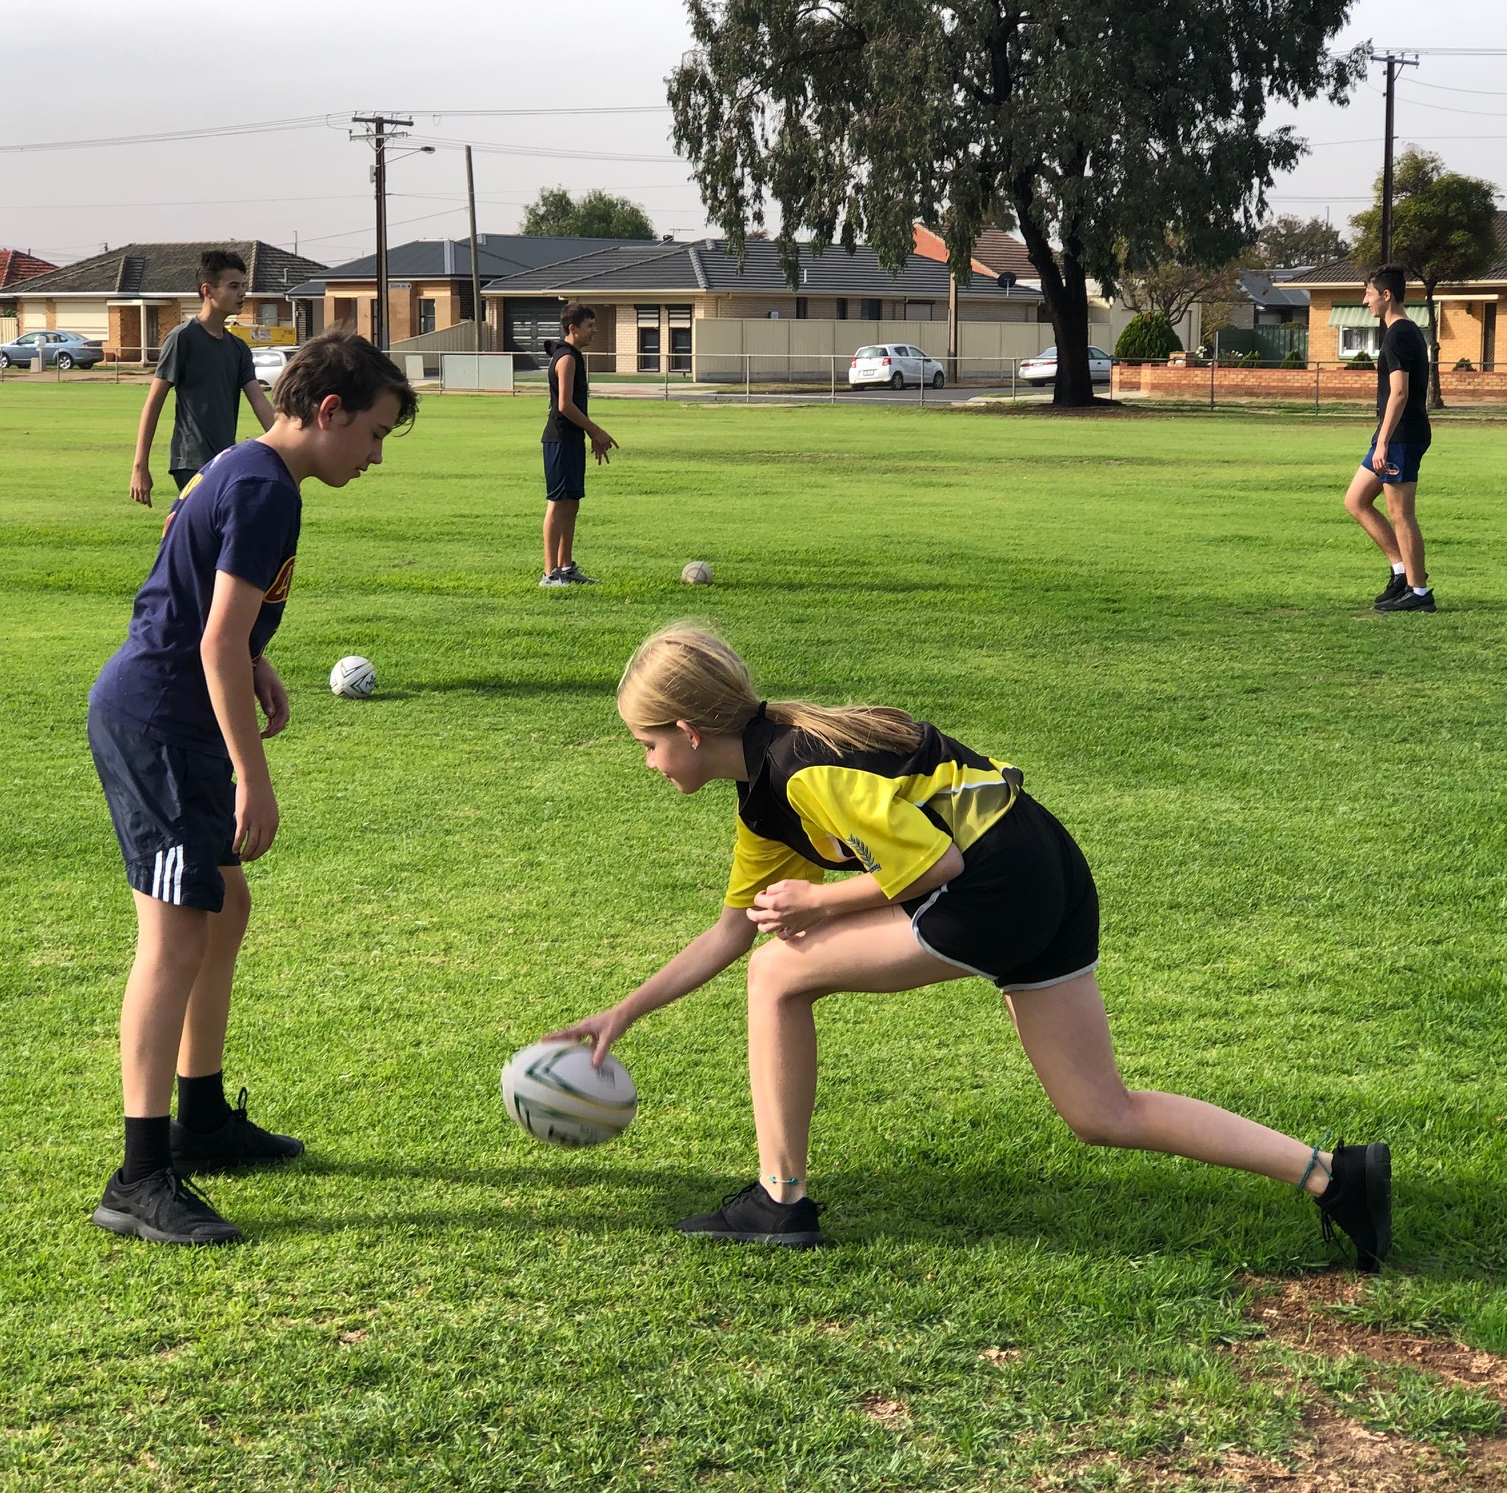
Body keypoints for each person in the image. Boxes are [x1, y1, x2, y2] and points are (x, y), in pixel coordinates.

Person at [547, 625, 1392, 1267]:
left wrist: (823, 900)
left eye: (647, 745)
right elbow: (733, 926)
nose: (648, 763)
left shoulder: (803, 769)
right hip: (1044, 867)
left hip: (994, 885)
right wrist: (625, 1011)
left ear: (690, 730)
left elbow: (935, 863)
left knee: (779, 972)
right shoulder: (766, 795)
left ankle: (781, 1202)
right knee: (1100, 1112)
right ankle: (1336, 1175)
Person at [87, 333, 417, 1245]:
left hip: (169, 715)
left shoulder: (241, 465)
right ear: (329, 412)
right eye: (378, 433)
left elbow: (188, 576)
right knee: (174, 937)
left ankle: (200, 1119)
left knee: (224, 906)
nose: (377, 456)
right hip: (158, 726)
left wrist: (259, 662)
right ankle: (141, 1175)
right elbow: (213, 641)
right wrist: (252, 777)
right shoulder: (267, 488)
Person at [129, 250, 277, 511]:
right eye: (233, 287)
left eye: (243, 286)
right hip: (191, 462)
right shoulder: (183, 339)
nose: (242, 293)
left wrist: (287, 448)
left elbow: (260, 403)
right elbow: (153, 404)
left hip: (225, 461)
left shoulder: (238, 348)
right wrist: (140, 466)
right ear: (208, 290)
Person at [1342, 264, 1435, 613]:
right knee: (1356, 501)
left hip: (1400, 437)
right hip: (1391, 435)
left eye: (1368, 293)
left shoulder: (1399, 335)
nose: (1364, 301)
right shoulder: (1402, 332)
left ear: (1386, 295)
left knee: (1401, 514)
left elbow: (1399, 393)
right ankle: (1401, 572)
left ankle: (1420, 592)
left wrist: (1383, 442)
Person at [539, 303, 616, 587]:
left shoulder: (574, 357)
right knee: (558, 503)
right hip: (558, 439)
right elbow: (564, 405)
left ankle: (566, 567)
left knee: (572, 503)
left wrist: (589, 434)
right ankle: (549, 574)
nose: (595, 331)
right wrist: (596, 430)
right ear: (573, 328)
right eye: (590, 326)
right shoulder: (567, 359)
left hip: (571, 439)